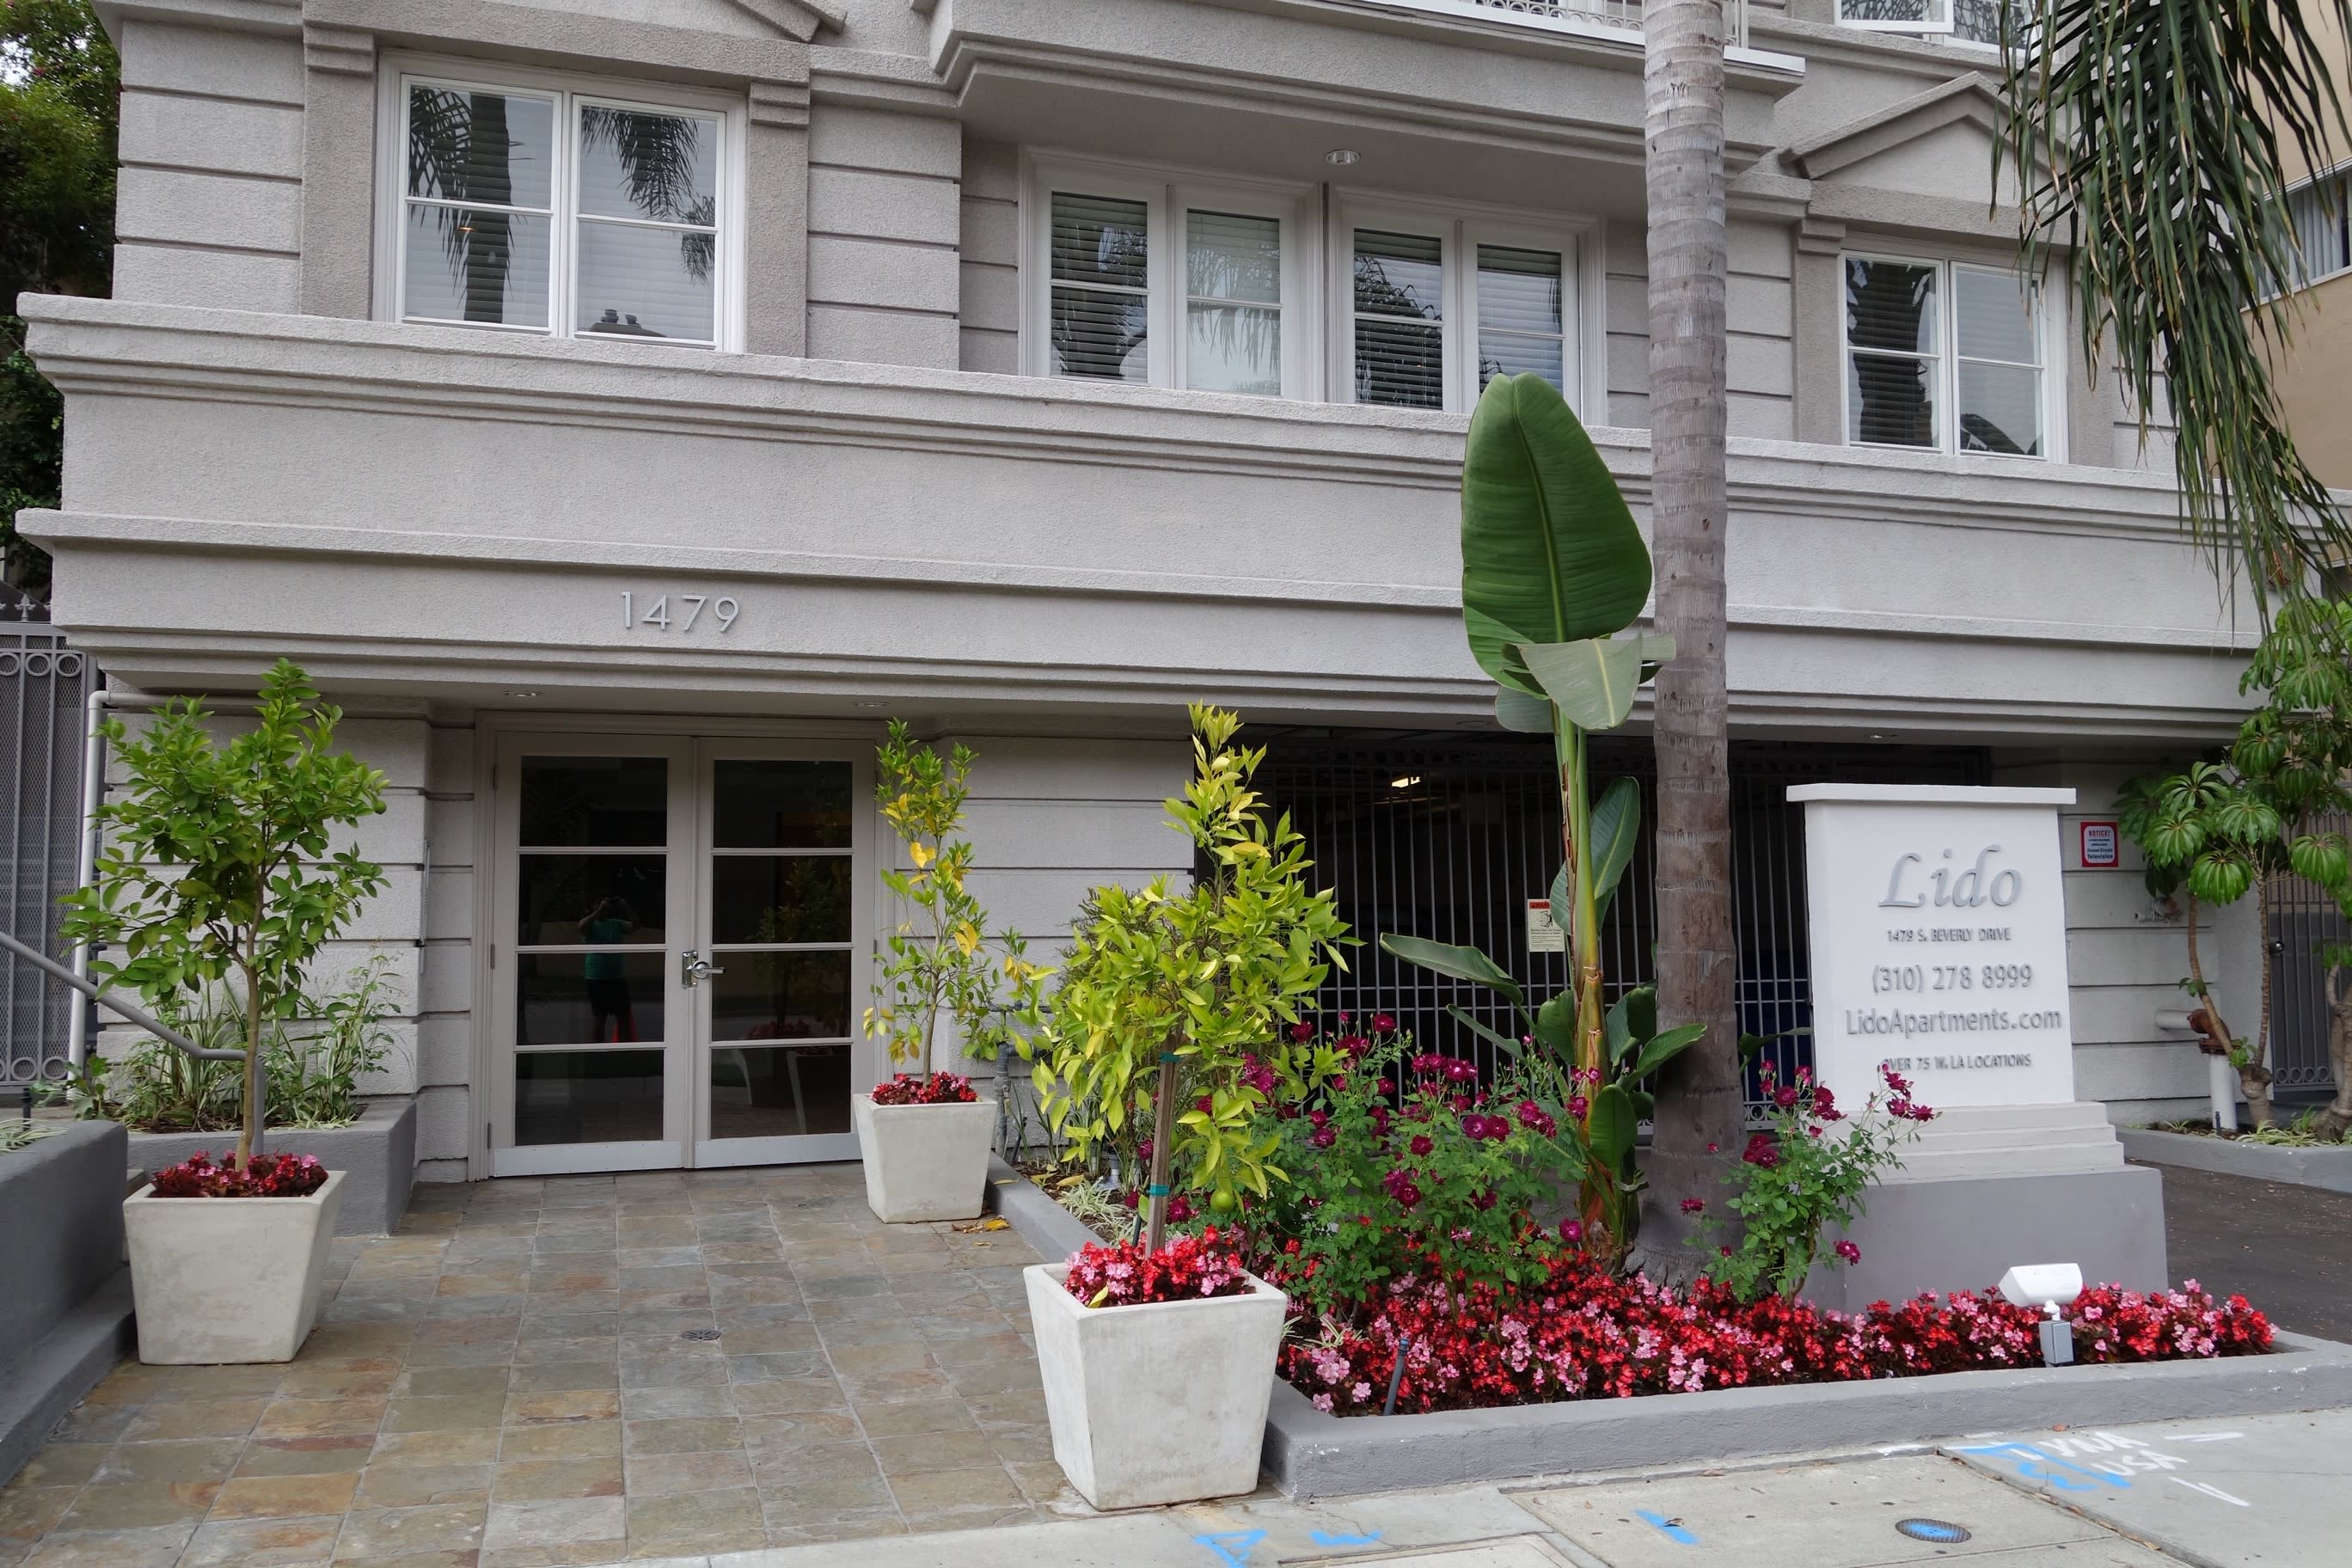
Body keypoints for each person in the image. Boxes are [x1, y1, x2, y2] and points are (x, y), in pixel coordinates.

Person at [579, 894, 639, 1042]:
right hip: (596, 977)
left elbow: (635, 926)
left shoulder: (616, 924)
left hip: (617, 977)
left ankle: (623, 1049)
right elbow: (581, 927)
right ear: (593, 906)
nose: (604, 908)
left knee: (623, 1016)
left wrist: (626, 907)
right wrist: (599, 910)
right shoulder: (591, 924)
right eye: (599, 903)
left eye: (606, 905)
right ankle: (598, 1050)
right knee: (599, 1018)